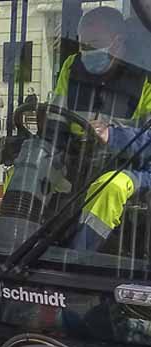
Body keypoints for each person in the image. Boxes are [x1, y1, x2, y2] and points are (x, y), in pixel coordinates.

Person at [51, 7, 151, 250]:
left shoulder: (145, 79)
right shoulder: (72, 66)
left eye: (93, 45)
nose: (85, 52)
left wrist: (114, 136)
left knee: (108, 188)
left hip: (137, 166)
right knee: (28, 166)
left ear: (117, 44)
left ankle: (76, 262)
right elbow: (58, 116)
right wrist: (47, 132)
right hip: (84, 159)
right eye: (82, 45)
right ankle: (13, 249)